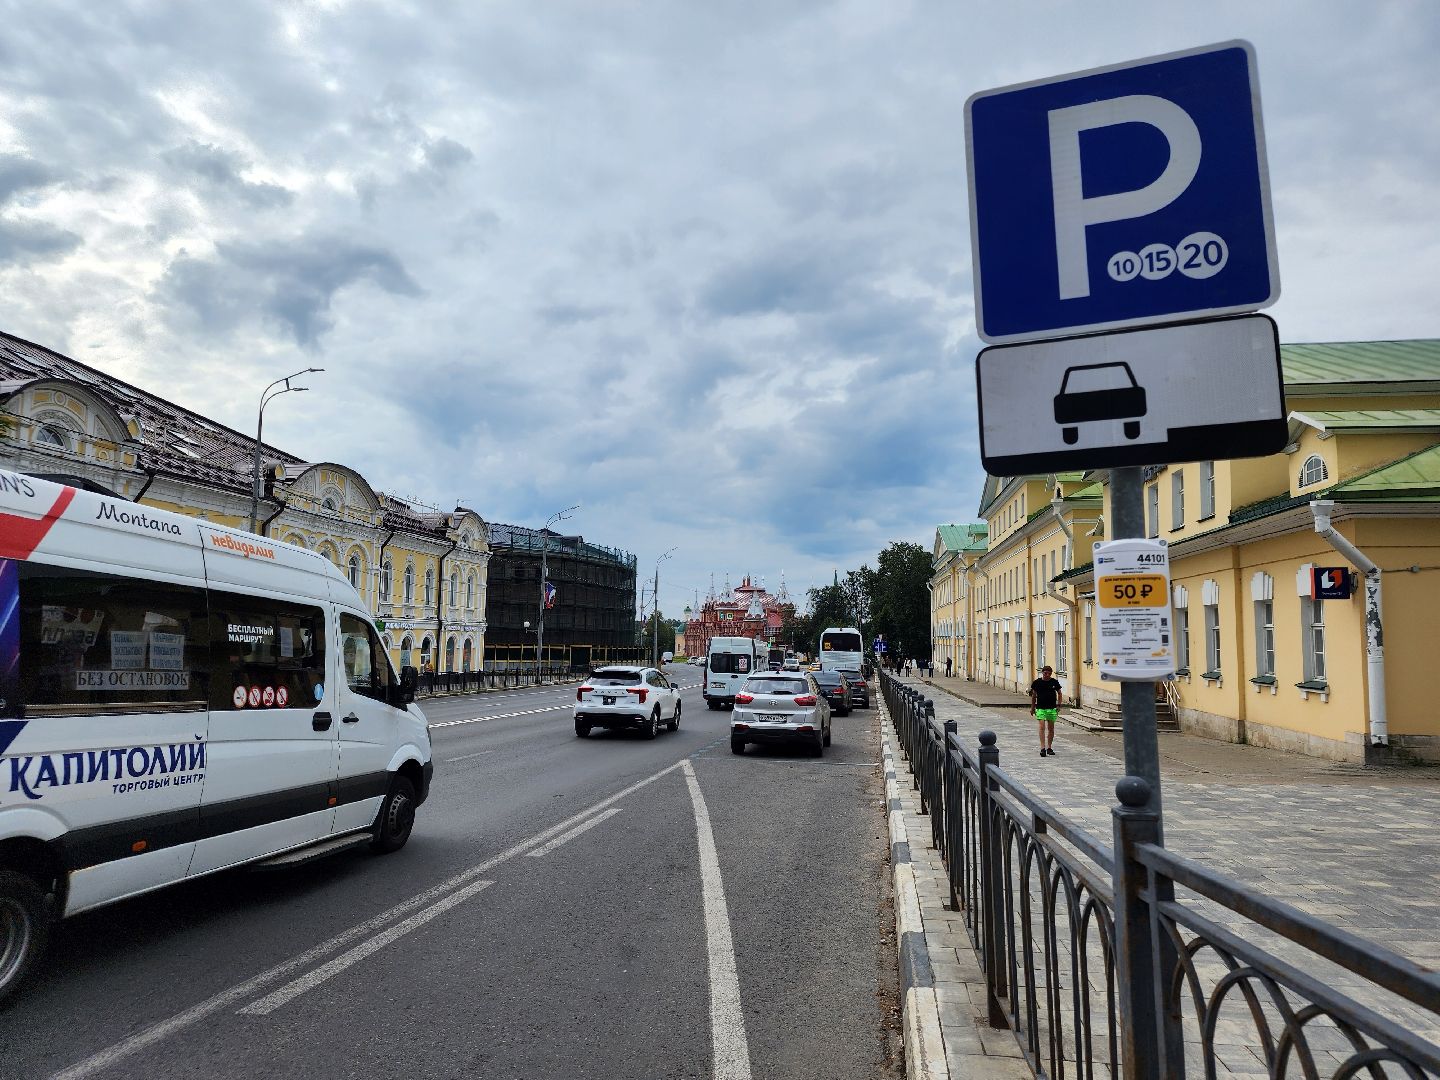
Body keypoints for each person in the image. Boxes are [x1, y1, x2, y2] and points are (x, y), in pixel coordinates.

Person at [1029, 665, 1064, 757]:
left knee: (1051, 728)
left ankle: (1049, 747)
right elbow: (1033, 696)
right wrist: (1032, 707)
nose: (1047, 675)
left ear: (1051, 674)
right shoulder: (1037, 682)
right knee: (1041, 727)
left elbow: (1059, 693)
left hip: (1052, 708)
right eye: (1045, 673)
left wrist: (1059, 705)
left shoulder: (1054, 682)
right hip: (1040, 708)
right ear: (1042, 673)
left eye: (1049, 673)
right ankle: (1042, 748)